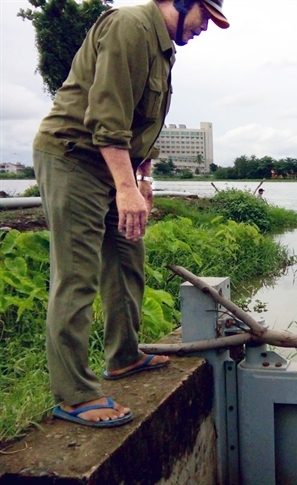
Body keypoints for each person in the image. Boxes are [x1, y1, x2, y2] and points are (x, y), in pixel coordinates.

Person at [32, 0, 229, 427]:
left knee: (126, 259)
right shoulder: (128, 26)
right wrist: (124, 187)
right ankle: (75, 394)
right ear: (180, 2)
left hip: (115, 163)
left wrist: (141, 179)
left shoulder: (164, 48)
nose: (204, 29)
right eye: (205, 18)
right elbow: (108, 118)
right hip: (74, 158)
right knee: (77, 274)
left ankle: (123, 356)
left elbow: (145, 122)